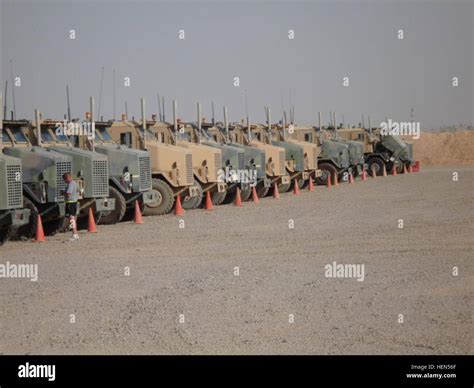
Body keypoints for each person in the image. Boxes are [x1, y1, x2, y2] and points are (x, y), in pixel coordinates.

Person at [62, 172, 79, 241]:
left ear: (67, 178)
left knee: (71, 218)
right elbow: (78, 191)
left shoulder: (70, 184)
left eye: (64, 179)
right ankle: (75, 233)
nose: (64, 181)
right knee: (73, 218)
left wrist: (63, 193)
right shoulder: (75, 183)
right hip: (74, 202)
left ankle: (74, 234)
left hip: (70, 202)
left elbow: (68, 194)